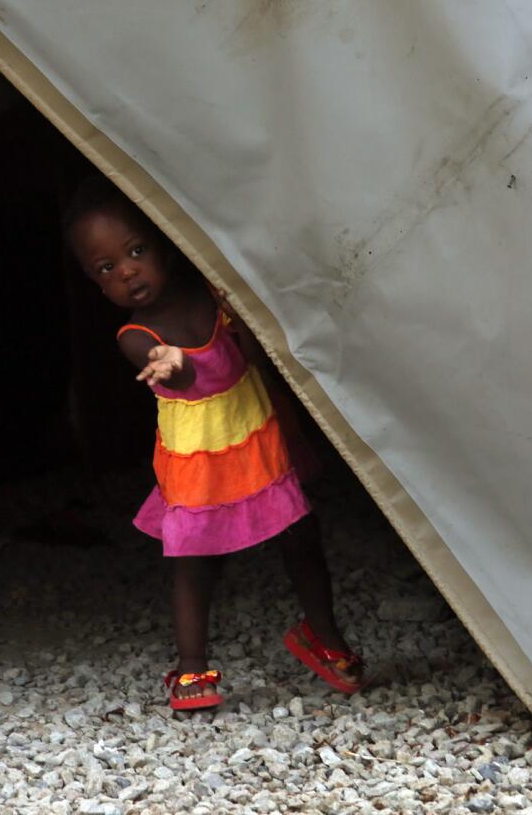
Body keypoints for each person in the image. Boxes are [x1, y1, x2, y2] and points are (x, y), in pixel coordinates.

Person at [63, 177, 365, 710]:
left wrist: (240, 314)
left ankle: (323, 635)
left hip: (254, 435)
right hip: (199, 460)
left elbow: (252, 352)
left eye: (136, 251)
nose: (127, 270)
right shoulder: (137, 337)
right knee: (194, 560)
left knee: (300, 533)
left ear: (165, 242)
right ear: (95, 283)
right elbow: (176, 375)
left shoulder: (210, 292)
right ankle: (191, 669)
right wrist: (171, 364)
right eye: (107, 268)